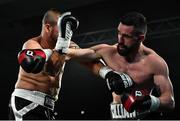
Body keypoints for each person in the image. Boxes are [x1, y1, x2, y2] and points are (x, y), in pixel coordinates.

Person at [66, 12, 175, 119]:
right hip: (116, 116)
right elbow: (77, 54)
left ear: (140, 38)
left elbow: (170, 102)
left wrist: (150, 102)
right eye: (119, 33)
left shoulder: (155, 63)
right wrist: (62, 41)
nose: (120, 40)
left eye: (126, 36)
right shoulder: (109, 51)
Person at [8, 8, 79, 120]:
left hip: (47, 107)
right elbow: (50, 69)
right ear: (47, 27)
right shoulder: (32, 44)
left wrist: (107, 73)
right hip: (27, 103)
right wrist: (62, 44)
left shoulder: (68, 46)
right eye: (62, 28)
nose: (66, 32)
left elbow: (90, 56)